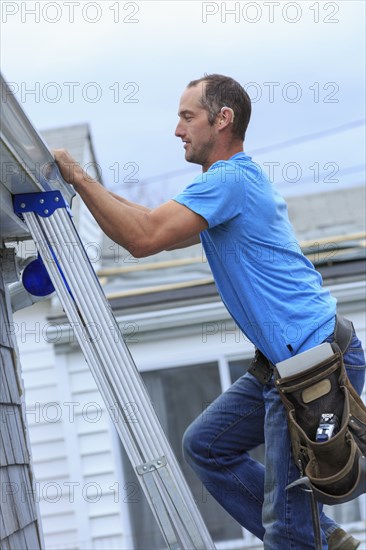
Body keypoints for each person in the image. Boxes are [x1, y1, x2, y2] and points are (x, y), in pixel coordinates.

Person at [53, 74, 365, 549]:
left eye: (186, 117)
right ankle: (318, 537)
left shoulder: (229, 180)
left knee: (286, 528)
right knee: (207, 446)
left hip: (313, 365)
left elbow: (141, 239)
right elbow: (147, 221)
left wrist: (76, 177)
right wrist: (84, 183)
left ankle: (307, 538)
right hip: (286, 364)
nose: (177, 130)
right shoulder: (225, 185)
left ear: (223, 119)